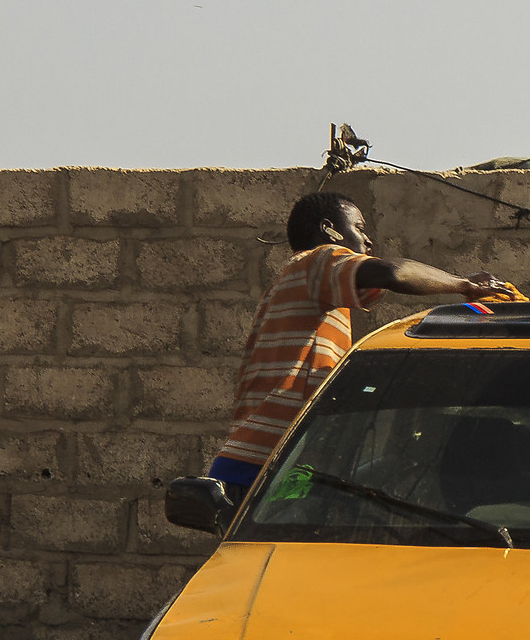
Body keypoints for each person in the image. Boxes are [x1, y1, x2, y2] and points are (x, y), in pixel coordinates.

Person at [206, 192, 507, 501]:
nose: (368, 239)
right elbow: (392, 273)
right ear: (329, 230)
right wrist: (464, 285)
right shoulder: (317, 261)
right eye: (360, 228)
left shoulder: (297, 285)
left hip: (258, 461)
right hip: (271, 463)